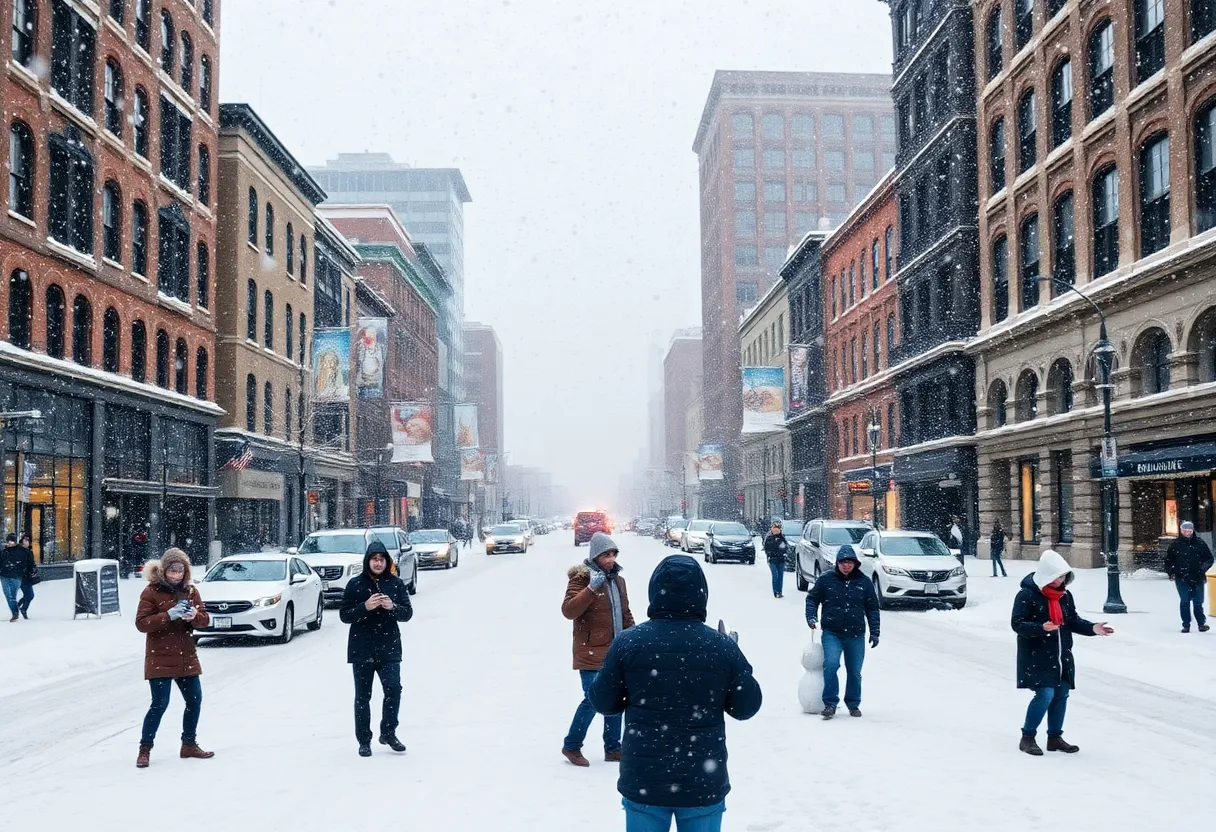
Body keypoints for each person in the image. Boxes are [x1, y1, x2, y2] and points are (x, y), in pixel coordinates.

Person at [589, 554, 762, 831]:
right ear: (701, 594)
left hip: (644, 779)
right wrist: (735, 655)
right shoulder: (721, 647)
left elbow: (602, 701)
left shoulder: (628, 643)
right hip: (701, 781)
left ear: (654, 591)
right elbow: (746, 707)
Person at [1011, 550, 1114, 756]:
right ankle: (1028, 737)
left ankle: (1054, 737)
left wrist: (1093, 628)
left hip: (1061, 655)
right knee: (1045, 694)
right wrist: (1041, 628)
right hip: (1037, 655)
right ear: (1046, 575)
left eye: (1064, 576)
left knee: (1061, 694)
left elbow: (1072, 621)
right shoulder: (1027, 595)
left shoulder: (1064, 596)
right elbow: (1017, 624)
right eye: (1057, 576)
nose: (1061, 580)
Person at [560, 531, 635, 767]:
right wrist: (591, 589)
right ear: (595, 556)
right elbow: (569, 610)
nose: (611, 559)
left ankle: (613, 748)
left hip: (616, 651)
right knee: (594, 700)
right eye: (606, 555)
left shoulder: (619, 581)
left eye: (613, 554)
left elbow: (625, 614)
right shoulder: (581, 580)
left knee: (616, 698)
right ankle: (571, 746)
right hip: (590, 651)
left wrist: (635, 637)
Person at [134, 548, 213, 768]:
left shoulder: (191, 591)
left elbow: (205, 620)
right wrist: (168, 615)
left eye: (180, 570)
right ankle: (145, 749)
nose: (176, 575)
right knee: (159, 704)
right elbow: (142, 623)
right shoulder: (151, 591)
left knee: (194, 700)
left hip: (186, 655)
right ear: (164, 569)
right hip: (159, 656)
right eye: (172, 570)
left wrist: (195, 616)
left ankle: (188, 744)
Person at [339, 540, 414, 757]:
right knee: (363, 696)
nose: (378, 563)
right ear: (368, 561)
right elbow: (344, 615)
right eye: (374, 559)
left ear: (387, 561)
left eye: (382, 559)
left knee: (393, 689)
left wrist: (393, 607)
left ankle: (388, 732)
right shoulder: (355, 584)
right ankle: (364, 740)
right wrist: (365, 607)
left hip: (389, 647)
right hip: (362, 649)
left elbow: (407, 613)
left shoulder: (396, 584)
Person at [805, 545, 880, 719]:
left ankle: (853, 703)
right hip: (832, 632)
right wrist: (811, 617)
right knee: (831, 665)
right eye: (843, 562)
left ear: (855, 564)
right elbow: (812, 599)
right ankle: (830, 703)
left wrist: (875, 631)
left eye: (850, 562)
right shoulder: (826, 580)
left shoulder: (864, 582)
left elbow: (872, 608)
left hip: (855, 634)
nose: (846, 565)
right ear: (837, 563)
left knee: (854, 670)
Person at [1165, 520, 1214, 633]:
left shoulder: (1200, 543)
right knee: (1185, 601)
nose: (1187, 533)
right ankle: (1186, 624)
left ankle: (1201, 623)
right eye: (1185, 530)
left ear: (1192, 531)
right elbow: (1168, 560)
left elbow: (1209, 559)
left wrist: (1201, 569)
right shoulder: (1175, 544)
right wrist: (1171, 572)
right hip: (1181, 577)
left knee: (1198, 602)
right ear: (1181, 531)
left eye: (1189, 530)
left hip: (1197, 577)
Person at [1, 533, 35, 622]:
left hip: (17, 576)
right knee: (8, 596)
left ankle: (16, 611)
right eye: (9, 541)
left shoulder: (23, 551)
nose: (10, 543)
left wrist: (24, 571)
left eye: (12, 541)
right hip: (5, 576)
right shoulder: (4, 552)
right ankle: (15, 611)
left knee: (14, 595)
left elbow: (30, 563)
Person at [763, 521, 789, 598]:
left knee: (780, 575)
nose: (776, 531)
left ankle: (779, 591)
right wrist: (769, 554)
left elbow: (785, 548)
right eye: (774, 530)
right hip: (772, 560)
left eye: (777, 530)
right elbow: (766, 548)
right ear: (771, 530)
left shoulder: (782, 538)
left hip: (781, 559)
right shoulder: (769, 538)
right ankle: (775, 591)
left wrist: (783, 554)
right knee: (775, 575)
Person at [16, 533, 35, 618]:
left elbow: (31, 563)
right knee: (29, 595)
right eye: (25, 540)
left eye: (28, 540)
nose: (27, 542)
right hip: (22, 577)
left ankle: (18, 605)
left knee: (29, 595)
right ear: (22, 541)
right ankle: (23, 609)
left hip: (28, 576)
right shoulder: (19, 551)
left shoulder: (29, 551)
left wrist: (33, 569)